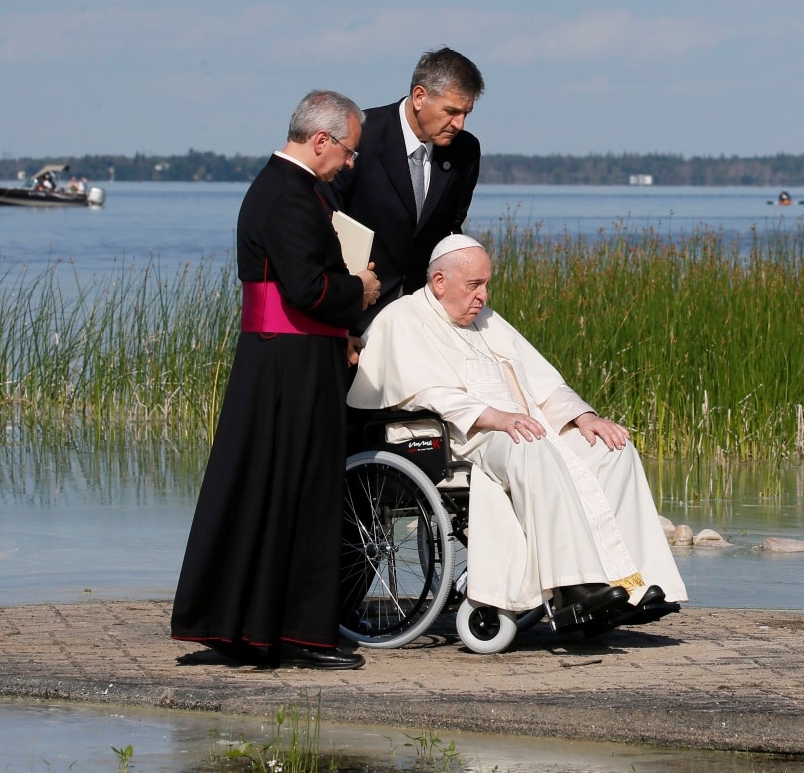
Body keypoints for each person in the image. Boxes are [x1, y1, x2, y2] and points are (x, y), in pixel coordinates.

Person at [347, 235, 685, 629]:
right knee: (528, 444)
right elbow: (428, 393)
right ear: (439, 281)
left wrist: (584, 418)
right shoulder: (401, 319)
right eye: (474, 286)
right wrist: (495, 417)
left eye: (487, 284)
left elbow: (543, 383)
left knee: (611, 448)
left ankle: (634, 583)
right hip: (463, 439)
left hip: (523, 430)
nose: (483, 297)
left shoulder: (487, 320)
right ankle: (573, 587)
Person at [170, 90, 381, 670]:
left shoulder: (286, 190)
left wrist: (340, 326)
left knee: (260, 491)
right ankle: (296, 636)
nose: (349, 163)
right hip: (289, 364)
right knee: (302, 493)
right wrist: (360, 290)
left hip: (284, 357)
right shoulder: (289, 196)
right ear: (321, 140)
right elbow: (308, 291)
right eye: (348, 151)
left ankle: (243, 626)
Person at [324, 47, 483, 329]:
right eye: (451, 111)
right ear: (420, 97)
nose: (459, 124)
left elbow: (451, 231)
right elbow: (328, 224)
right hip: (356, 315)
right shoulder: (361, 134)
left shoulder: (466, 152)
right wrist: (340, 322)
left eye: (466, 113)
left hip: (425, 319)